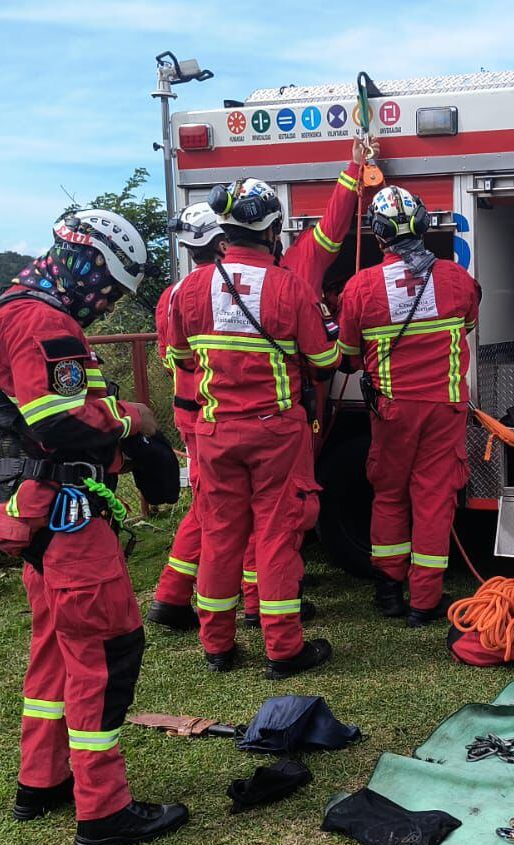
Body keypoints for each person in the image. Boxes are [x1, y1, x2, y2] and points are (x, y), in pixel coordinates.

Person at [0, 209, 188, 845]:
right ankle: (104, 811)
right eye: (110, 289)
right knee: (105, 653)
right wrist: (132, 420)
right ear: (88, 264)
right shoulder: (42, 322)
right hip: (68, 515)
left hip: (36, 511)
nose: (107, 303)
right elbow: (64, 424)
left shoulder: (6, 310)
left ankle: (41, 781)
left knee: (55, 651)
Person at [150, 150, 363, 631]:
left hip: (208, 424)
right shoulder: (290, 284)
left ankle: (216, 638)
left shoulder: (181, 294)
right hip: (275, 425)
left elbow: (176, 360)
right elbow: (326, 361)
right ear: (273, 230)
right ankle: (275, 632)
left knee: (218, 525)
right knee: (274, 525)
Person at [336, 185, 480, 627]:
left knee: (390, 496)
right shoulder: (458, 279)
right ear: (422, 226)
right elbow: (469, 324)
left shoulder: (359, 288)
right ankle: (424, 603)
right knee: (435, 501)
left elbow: (348, 354)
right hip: (444, 408)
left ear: (377, 236)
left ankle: (388, 592)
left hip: (392, 412)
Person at [147, 202, 226, 632]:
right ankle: (172, 594)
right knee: (219, 506)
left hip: (188, 410)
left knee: (208, 502)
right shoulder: (224, 290)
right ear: (221, 241)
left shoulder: (173, 295)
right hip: (218, 412)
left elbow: (169, 357)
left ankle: (173, 595)